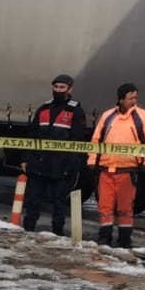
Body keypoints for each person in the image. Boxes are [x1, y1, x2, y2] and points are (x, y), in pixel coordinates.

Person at [87, 82, 145, 250]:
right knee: (105, 206)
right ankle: (105, 237)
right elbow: (96, 140)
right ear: (120, 99)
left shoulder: (142, 116)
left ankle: (124, 240)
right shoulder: (107, 116)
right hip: (105, 169)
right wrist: (91, 162)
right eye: (130, 98)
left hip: (128, 170)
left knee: (125, 208)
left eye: (136, 97)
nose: (134, 100)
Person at [20, 75, 90, 234]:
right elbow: (32, 136)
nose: (58, 90)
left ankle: (57, 232)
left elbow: (77, 140)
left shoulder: (75, 111)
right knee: (32, 199)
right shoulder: (43, 109)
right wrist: (25, 158)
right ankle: (28, 229)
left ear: (70, 89)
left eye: (62, 88)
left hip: (61, 165)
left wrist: (71, 166)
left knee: (59, 201)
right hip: (39, 162)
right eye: (56, 87)